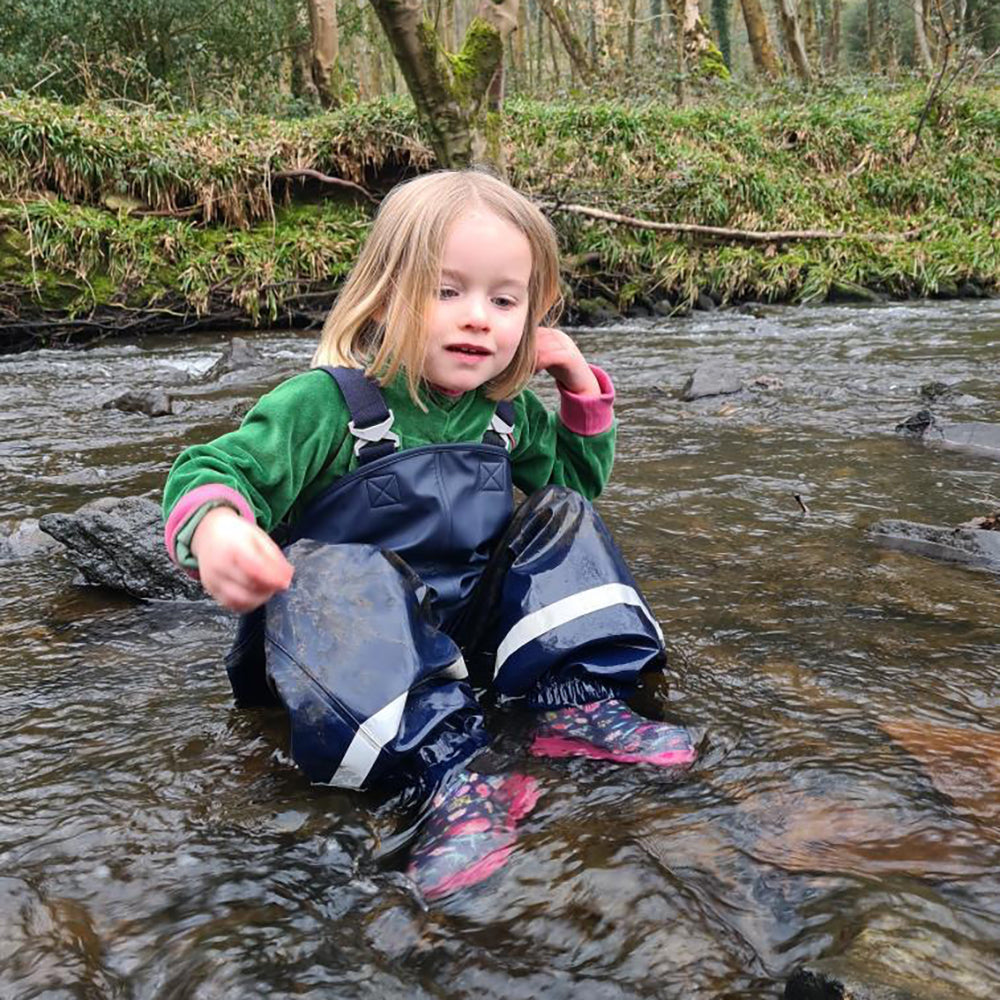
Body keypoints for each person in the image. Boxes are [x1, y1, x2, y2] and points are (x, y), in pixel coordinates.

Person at [162, 169, 695, 901]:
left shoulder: (508, 414)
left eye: (504, 300)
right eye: (447, 292)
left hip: (462, 638)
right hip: (337, 650)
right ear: (384, 296)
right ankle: (449, 772)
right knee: (329, 568)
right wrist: (218, 528)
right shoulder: (324, 404)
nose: (478, 318)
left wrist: (576, 387)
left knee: (564, 516)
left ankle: (573, 699)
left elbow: (574, 489)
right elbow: (215, 466)